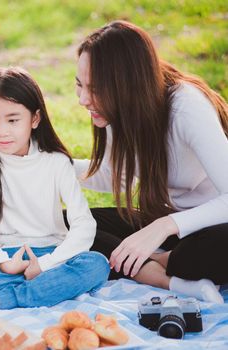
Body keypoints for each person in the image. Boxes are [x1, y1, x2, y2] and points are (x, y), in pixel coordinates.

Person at [74, 20, 228, 304]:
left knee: (201, 254)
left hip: (214, 229)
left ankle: (160, 260)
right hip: (174, 227)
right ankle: (157, 270)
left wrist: (162, 227)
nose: (84, 99)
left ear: (127, 86)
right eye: (79, 85)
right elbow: (115, 176)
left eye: (95, 89)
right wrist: (55, 165)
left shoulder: (186, 107)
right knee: (69, 225)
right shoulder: (116, 111)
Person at [0, 67, 110, 316]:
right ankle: (46, 291)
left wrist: (44, 266)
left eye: (13, 120)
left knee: (97, 265)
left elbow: (83, 224)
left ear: (35, 119)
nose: (1, 131)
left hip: (52, 257)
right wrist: (3, 262)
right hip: (5, 258)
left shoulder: (56, 161)